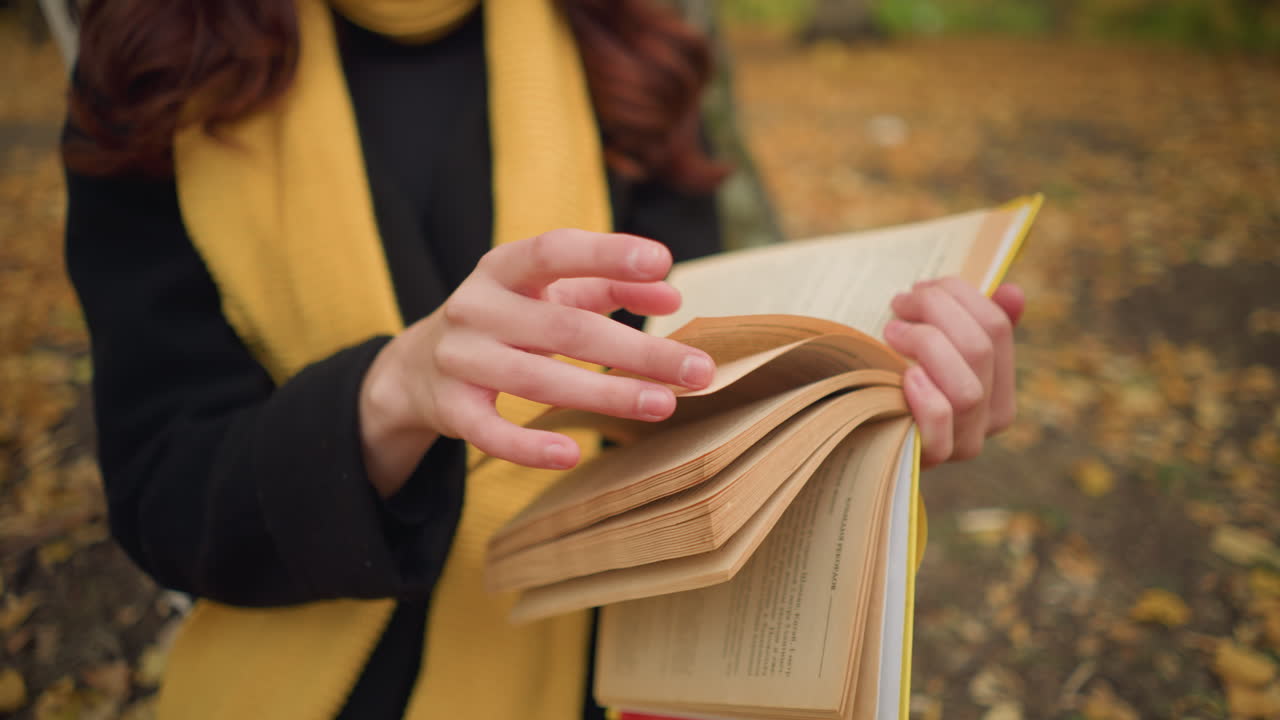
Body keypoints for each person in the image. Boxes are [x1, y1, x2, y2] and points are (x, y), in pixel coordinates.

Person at [62, 0, 1025, 718]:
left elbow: (690, 397)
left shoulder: (631, 47)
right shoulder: (153, 66)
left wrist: (862, 424)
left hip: (612, 665)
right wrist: (390, 394)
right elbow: (162, 493)